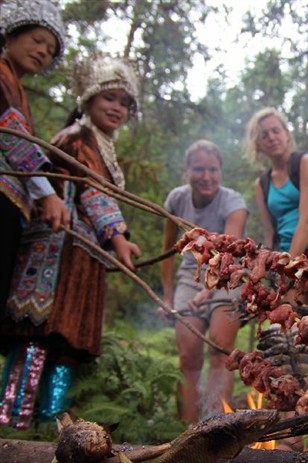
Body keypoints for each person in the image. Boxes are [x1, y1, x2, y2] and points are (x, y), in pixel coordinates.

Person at [0, 53, 142, 428]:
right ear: (89, 99)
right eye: (109, 98)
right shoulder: (75, 139)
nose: (117, 108)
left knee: (68, 347)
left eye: (125, 103)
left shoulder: (99, 145)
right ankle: (11, 418)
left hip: (83, 260)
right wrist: (118, 238)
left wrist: (113, 240)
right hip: (54, 258)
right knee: (37, 335)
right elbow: (91, 192)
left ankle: (52, 425)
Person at [160, 139, 247, 424]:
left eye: (212, 169)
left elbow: (227, 254)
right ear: (187, 171)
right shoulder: (176, 199)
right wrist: (168, 295)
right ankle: (188, 433)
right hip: (190, 277)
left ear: (221, 171)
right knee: (189, 358)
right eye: (199, 169)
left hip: (227, 280)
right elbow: (167, 251)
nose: (206, 176)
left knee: (221, 350)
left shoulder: (233, 202)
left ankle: (217, 429)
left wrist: (208, 293)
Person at [245, 107, 308, 319]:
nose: (272, 137)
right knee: (291, 330)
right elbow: (269, 231)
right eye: (264, 135)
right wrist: (266, 265)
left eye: (276, 130)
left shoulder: (306, 163)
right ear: (258, 144)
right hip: (287, 255)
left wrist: (286, 268)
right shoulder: (262, 184)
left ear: (286, 133)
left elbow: (307, 222)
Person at [0, 0, 69, 315]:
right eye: (37, 40)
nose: (43, 51)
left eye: (51, 49)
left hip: (12, 206)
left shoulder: (16, 87)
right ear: (11, 37)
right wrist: (47, 193)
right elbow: (11, 135)